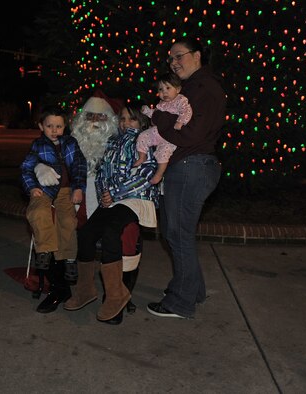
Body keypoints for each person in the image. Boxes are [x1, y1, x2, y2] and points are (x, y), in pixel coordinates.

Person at [147, 36, 226, 319]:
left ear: (197, 56)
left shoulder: (203, 87)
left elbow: (190, 133)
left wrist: (159, 119)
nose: (174, 62)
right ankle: (194, 290)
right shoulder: (191, 87)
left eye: (179, 55)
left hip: (192, 166)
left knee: (177, 234)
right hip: (187, 166)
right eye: (170, 58)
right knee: (174, 231)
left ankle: (180, 302)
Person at [62, 101, 160, 324]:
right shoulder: (113, 142)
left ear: (141, 121)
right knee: (86, 234)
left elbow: (147, 173)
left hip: (135, 200)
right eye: (123, 119)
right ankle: (86, 290)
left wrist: (114, 193)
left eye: (131, 119)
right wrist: (104, 193)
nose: (126, 123)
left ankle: (116, 295)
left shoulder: (146, 141)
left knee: (111, 233)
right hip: (113, 200)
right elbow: (101, 173)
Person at [20, 105, 87, 313]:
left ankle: (68, 260)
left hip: (65, 191)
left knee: (67, 221)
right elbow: (26, 168)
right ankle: (45, 251)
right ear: (41, 126)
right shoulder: (38, 145)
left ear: (65, 127)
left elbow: (79, 166)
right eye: (49, 126)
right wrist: (32, 188)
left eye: (58, 126)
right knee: (37, 213)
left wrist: (78, 188)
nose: (54, 130)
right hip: (44, 190)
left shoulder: (71, 143)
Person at [134, 71, 193, 184]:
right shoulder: (161, 104)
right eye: (160, 89)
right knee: (142, 136)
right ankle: (142, 156)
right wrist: (147, 111)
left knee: (163, 153)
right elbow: (155, 115)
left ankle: (159, 174)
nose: (164, 92)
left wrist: (180, 122)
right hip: (157, 132)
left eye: (167, 88)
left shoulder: (181, 100)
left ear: (178, 89)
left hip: (169, 137)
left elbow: (187, 111)